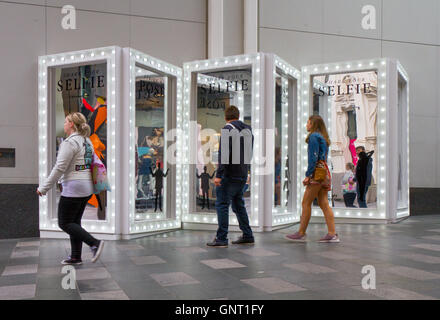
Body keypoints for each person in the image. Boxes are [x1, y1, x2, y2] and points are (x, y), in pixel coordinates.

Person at [37, 112, 105, 265]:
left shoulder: (69, 142)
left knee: (65, 222)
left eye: (66, 121)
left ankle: (95, 243)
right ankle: (76, 256)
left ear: (72, 125)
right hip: (86, 186)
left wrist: (44, 188)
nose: (64, 124)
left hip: (74, 186)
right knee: (74, 222)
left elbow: (60, 168)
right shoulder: (86, 141)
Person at [285, 115, 340, 243]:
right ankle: (332, 233)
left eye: (308, 122)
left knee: (306, 203)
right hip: (324, 172)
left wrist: (308, 175)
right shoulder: (323, 138)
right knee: (324, 203)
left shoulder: (314, 137)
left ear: (313, 124)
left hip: (317, 173)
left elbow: (313, 158)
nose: (306, 125)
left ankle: (301, 232)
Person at [207, 105, 254, 247]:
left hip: (229, 175)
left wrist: (219, 175)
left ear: (226, 117)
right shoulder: (248, 130)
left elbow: (224, 155)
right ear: (238, 116)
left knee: (222, 205)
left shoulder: (227, 129)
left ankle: (221, 238)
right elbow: (249, 153)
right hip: (241, 174)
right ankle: (247, 235)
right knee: (238, 205)